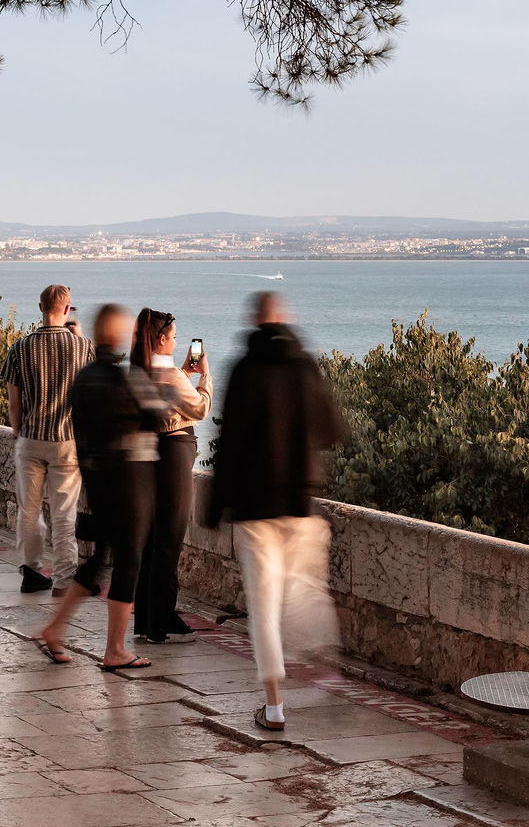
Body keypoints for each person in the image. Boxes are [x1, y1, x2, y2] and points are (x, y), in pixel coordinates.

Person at [205, 290, 348, 733]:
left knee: (263, 606)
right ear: (284, 317)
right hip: (299, 503)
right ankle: (324, 660)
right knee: (306, 589)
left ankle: (274, 706)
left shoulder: (243, 369)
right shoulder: (305, 366)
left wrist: (212, 507)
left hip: (254, 509)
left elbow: (228, 445)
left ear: (255, 320)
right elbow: (332, 430)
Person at [35, 303, 170, 671]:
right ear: (116, 332)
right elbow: (155, 416)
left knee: (100, 559)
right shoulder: (118, 378)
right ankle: (115, 650)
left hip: (97, 480)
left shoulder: (85, 377)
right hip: (128, 482)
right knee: (128, 562)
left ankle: (54, 628)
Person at [2, 284, 93, 594]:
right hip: (67, 441)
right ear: (67, 310)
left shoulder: (19, 348)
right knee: (64, 514)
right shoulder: (83, 346)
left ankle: (31, 570)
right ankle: (64, 581)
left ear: (40, 308)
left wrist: (18, 432)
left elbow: (14, 403)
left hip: (30, 439)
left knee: (28, 509)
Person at [131, 309, 211, 645]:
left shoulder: (140, 370)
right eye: (175, 337)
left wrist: (184, 371)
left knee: (152, 540)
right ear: (162, 339)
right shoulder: (169, 376)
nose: (177, 342)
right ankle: (162, 623)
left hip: (154, 455)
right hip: (175, 454)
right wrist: (204, 376)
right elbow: (200, 408)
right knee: (169, 539)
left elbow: (167, 395)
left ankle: (146, 620)